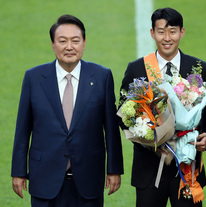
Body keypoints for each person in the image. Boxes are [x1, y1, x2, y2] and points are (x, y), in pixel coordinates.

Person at [11, 14, 124, 207]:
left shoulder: (101, 76)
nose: (69, 47)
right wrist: (19, 172)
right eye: (62, 41)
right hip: (44, 178)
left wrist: (114, 170)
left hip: (88, 178)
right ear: (53, 45)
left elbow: (111, 129)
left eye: (75, 41)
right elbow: (23, 129)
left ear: (84, 43)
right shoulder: (34, 77)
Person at [119, 7, 206, 207]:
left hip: (188, 168)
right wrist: (145, 134)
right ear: (152, 33)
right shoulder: (137, 68)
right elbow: (123, 113)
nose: (167, 37)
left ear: (182, 32)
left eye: (172, 31)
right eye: (161, 31)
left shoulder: (200, 68)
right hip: (149, 168)